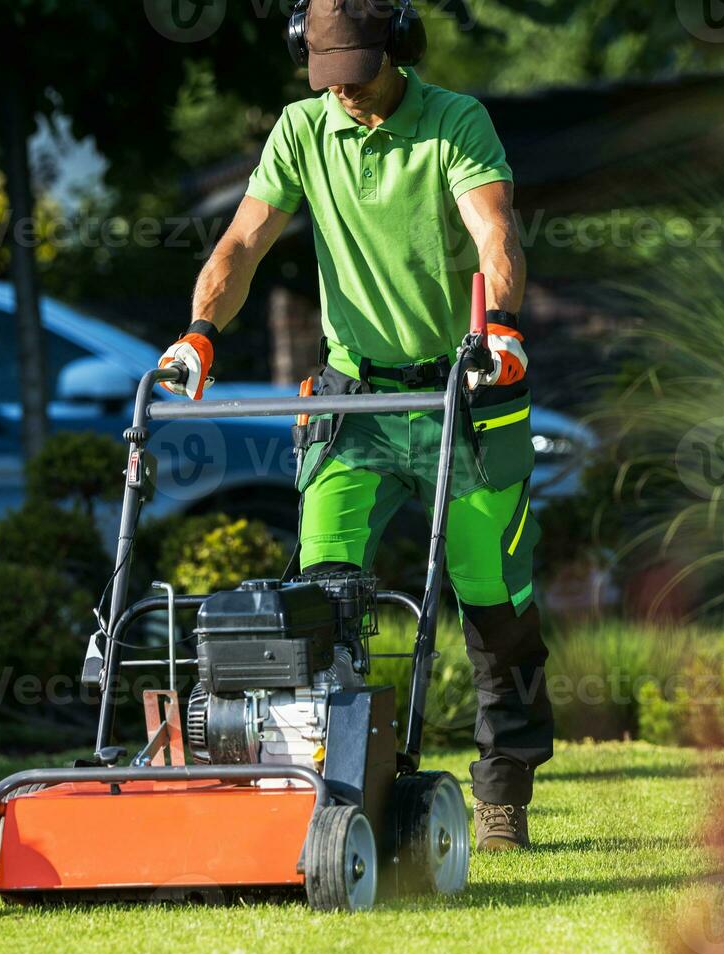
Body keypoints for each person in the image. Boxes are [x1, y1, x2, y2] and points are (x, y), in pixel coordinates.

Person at [158, 0, 548, 851]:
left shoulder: (454, 120)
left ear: (398, 50)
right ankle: (329, 787)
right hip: (354, 401)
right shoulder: (301, 130)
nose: (349, 96)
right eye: (329, 77)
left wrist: (503, 326)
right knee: (320, 600)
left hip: (466, 391)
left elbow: (494, 229)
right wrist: (200, 334)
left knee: (495, 604)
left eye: (361, 75)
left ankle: (503, 794)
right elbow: (241, 244)